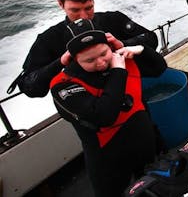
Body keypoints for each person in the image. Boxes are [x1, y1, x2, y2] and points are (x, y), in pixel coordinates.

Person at [50, 19, 167, 197]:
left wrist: (141, 50)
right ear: (73, 59)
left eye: (103, 53)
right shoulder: (64, 85)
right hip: (108, 160)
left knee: (151, 188)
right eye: (89, 60)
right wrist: (118, 71)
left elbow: (159, 68)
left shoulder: (121, 56)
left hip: (144, 145)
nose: (100, 62)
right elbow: (104, 115)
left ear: (109, 44)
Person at [18, 0, 158, 98]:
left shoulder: (113, 19)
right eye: (75, 10)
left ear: (94, 0)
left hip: (132, 93)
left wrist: (122, 44)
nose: (84, 16)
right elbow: (29, 87)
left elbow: (151, 39)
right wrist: (60, 62)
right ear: (61, 4)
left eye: (88, 8)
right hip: (88, 108)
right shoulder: (49, 39)